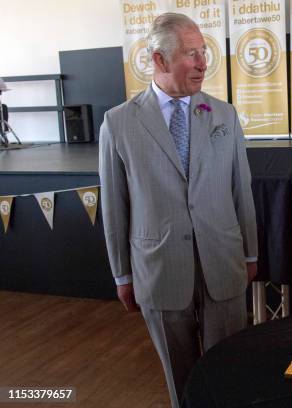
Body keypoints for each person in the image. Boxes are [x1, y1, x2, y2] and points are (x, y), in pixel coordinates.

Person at [99, 13, 258, 407]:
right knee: (181, 377)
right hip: (159, 269)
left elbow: (242, 190)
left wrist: (250, 252)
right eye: (191, 54)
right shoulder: (117, 123)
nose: (203, 63)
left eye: (203, 52)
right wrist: (122, 273)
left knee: (230, 369)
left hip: (224, 263)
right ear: (159, 60)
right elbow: (115, 208)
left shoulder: (224, 115)